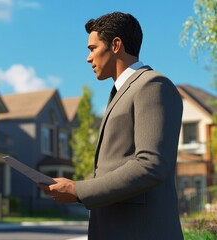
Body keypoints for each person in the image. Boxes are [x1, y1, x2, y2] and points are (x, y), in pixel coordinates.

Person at [39, 12, 184, 239]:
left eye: (92, 48)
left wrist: (78, 190)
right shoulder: (120, 93)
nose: (88, 58)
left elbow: (151, 165)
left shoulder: (152, 85)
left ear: (116, 45)